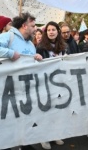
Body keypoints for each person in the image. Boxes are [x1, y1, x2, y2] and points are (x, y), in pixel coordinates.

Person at [0, 12, 42, 150]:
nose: (35, 29)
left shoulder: (31, 44)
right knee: (9, 122)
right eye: (33, 26)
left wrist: (36, 58)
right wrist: (10, 53)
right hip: (9, 90)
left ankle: (23, 142)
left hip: (26, 90)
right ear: (24, 25)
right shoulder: (8, 36)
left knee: (24, 121)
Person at [36, 21, 66, 149]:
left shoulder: (63, 46)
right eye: (48, 30)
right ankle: (44, 137)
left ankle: (55, 134)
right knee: (46, 110)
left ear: (58, 31)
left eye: (53, 29)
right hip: (45, 82)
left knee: (57, 110)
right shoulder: (41, 47)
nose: (51, 32)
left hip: (60, 82)